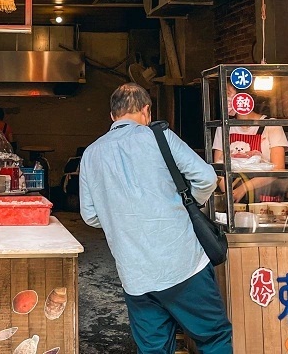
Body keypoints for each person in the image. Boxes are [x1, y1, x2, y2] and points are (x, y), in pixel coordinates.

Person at [80, 83, 232, 354]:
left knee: (153, 349)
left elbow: (90, 215)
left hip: (136, 274)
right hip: (183, 265)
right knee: (214, 337)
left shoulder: (91, 153)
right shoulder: (160, 137)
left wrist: (122, 219)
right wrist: (188, 203)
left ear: (112, 115)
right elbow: (207, 178)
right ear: (146, 110)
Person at [213, 83, 288, 202]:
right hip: (233, 194)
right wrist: (229, 194)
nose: (224, 99)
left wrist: (244, 189)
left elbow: (278, 168)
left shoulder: (271, 125)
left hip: (265, 196)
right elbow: (218, 168)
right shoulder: (223, 128)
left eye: (228, 94)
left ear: (244, 97)